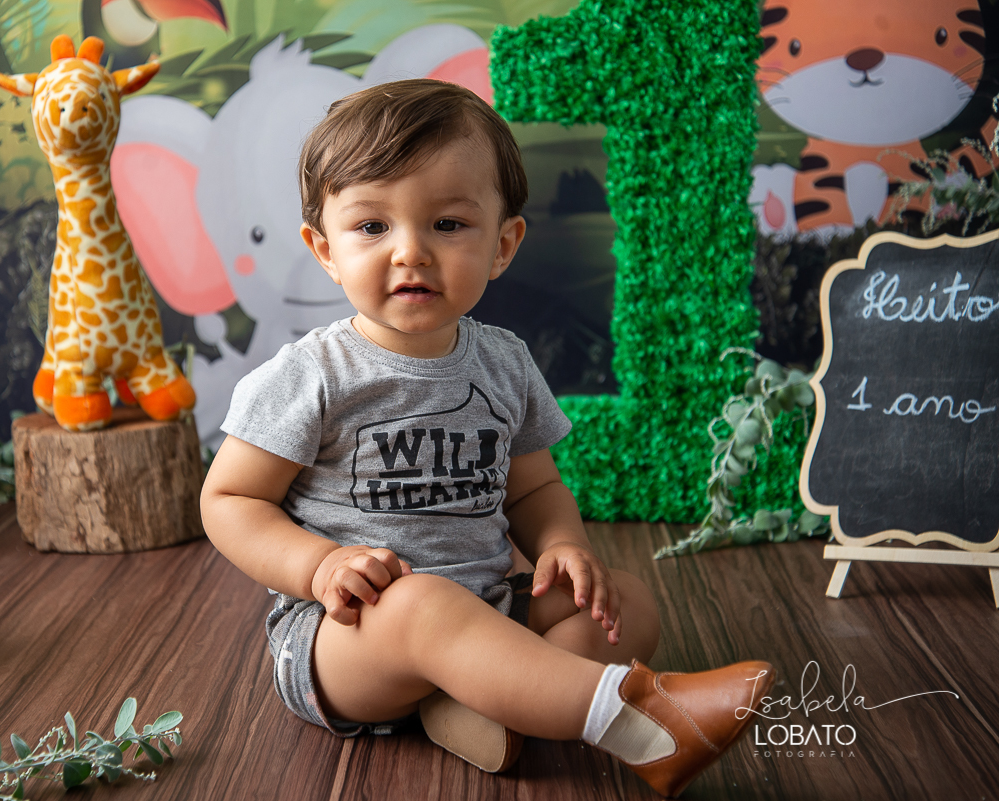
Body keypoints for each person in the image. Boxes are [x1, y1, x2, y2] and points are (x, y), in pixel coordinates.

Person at [200, 78, 774, 798]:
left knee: (624, 602)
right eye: (373, 227)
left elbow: (534, 485)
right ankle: (643, 722)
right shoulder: (312, 373)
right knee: (419, 605)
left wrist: (562, 544)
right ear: (325, 249)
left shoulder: (503, 360)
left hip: (487, 604)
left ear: (503, 244)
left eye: (447, 224)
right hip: (343, 637)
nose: (410, 251)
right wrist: (318, 566)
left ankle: (475, 700)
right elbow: (228, 499)